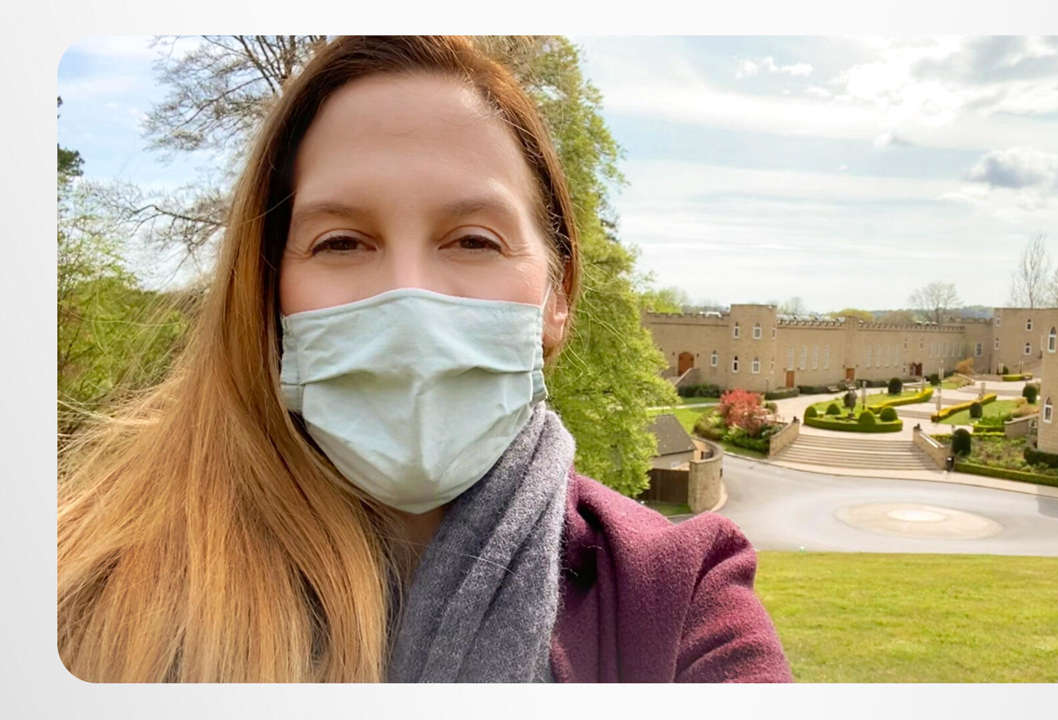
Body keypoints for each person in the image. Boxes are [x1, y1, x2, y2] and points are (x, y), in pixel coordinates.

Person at [57, 35, 791, 683]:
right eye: (341, 242)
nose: (408, 296)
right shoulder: (81, 591)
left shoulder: (677, 594)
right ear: (267, 289)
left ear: (557, 297)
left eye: (473, 240)